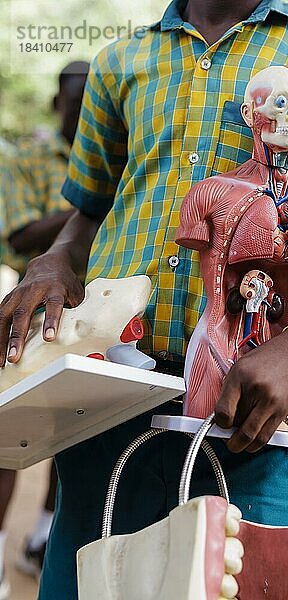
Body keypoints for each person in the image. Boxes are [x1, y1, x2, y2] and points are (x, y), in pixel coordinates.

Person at [0, 1, 288, 598]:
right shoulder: (120, 62)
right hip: (107, 415)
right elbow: (90, 213)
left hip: (251, 425)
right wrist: (56, 259)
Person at [0, 61, 89, 597]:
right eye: (75, 105)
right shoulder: (27, 158)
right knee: (8, 430)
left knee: (70, 423)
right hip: (22, 304)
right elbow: (18, 235)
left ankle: (42, 536)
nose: (82, 115)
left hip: (84, 307)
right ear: (58, 103)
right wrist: (89, 205)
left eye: (90, 106)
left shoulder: (116, 152)